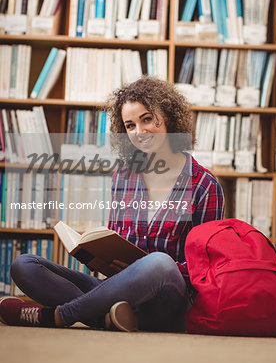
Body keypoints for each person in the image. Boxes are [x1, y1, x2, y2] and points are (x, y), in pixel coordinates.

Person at [0, 76, 224, 332]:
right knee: (25, 265)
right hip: (120, 293)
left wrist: (143, 268)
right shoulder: (123, 177)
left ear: (170, 118)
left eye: (147, 119)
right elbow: (115, 240)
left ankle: (58, 316)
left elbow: (205, 271)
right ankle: (114, 319)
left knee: (160, 263)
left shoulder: (205, 186)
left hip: (170, 301)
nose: (139, 132)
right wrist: (97, 256)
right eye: (130, 125)